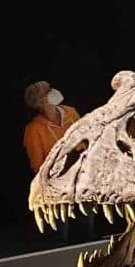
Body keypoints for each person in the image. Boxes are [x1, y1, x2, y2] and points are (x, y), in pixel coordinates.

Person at [23, 81, 83, 240]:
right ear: (40, 101)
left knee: (85, 226)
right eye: (47, 91)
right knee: (61, 232)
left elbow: (85, 139)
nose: (53, 91)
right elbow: (38, 165)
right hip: (57, 183)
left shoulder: (71, 113)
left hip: (81, 175)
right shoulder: (34, 129)